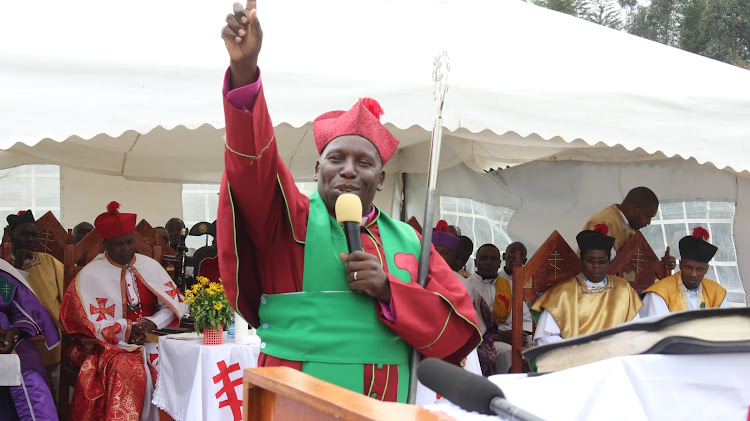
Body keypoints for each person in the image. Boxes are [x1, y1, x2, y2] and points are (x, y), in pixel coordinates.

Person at [218, 1, 480, 403]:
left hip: (390, 403)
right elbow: (253, 162)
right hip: (299, 395)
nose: (349, 171)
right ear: (317, 168)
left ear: (381, 177)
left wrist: (388, 290)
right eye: (336, 159)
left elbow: (459, 327)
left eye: (364, 163)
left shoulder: (409, 242)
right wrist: (244, 72)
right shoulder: (290, 220)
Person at [60, 201, 187, 421]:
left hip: (153, 336)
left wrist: (152, 323)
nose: (127, 248)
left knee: (180, 362)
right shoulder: (90, 275)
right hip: (111, 344)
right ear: (106, 244)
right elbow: (79, 321)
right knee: (126, 369)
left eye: (130, 242)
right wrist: (124, 329)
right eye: (119, 244)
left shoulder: (150, 266)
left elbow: (174, 305)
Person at [532, 225, 643, 345]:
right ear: (581, 261)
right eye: (590, 260)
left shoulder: (623, 288)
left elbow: (634, 330)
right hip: (576, 357)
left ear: (608, 263)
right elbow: (546, 337)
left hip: (614, 357)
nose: (596, 265)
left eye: (602, 261)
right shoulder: (562, 293)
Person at [6, 210, 64, 400]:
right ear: (11, 235)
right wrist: (18, 268)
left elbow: (67, 299)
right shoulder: (4, 266)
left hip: (53, 341)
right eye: (24, 234)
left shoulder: (50, 263)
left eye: (34, 234)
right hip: (15, 340)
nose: (30, 239)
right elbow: (6, 301)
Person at [0, 258, 60, 421]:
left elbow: (23, 310)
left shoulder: (3, 274)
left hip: (6, 339)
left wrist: (14, 331)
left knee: (30, 371)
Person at [463, 244, 532, 375]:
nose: (488, 262)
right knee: (507, 352)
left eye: (493, 259)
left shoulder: (510, 286)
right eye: (484, 258)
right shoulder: (468, 286)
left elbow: (525, 318)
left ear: (499, 263)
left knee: (536, 346)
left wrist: (519, 333)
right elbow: (468, 324)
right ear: (476, 262)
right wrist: (499, 336)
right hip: (485, 339)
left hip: (512, 334)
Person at [640, 227, 728, 317]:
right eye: (688, 267)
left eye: (699, 269)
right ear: (680, 265)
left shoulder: (717, 292)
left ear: (706, 269)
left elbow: (724, 326)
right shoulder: (659, 293)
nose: (693, 274)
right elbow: (658, 328)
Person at [583, 187, 675, 270]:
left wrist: (661, 266)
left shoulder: (630, 226)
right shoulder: (605, 222)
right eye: (647, 216)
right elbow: (597, 269)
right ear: (634, 209)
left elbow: (635, 267)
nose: (649, 222)